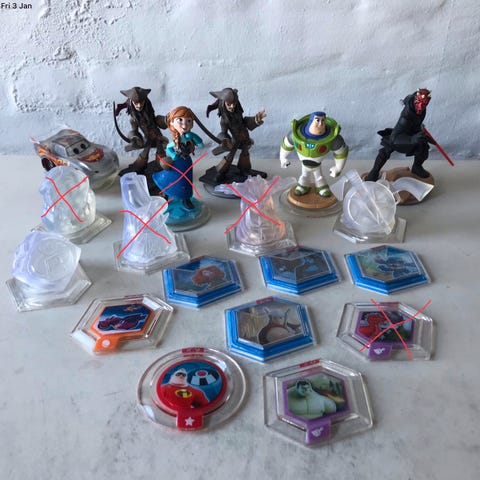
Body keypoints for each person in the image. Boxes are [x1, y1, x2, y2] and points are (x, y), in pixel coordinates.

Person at [365, 89, 433, 181]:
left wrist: (422, 133)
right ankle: (374, 172)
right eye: (419, 103)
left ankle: (417, 167)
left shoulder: (419, 108)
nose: (421, 106)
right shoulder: (406, 117)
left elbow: (408, 99)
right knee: (385, 150)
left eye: (424, 104)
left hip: (412, 134)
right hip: (398, 139)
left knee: (424, 148)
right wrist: (412, 139)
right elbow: (395, 139)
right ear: (416, 100)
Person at [280, 111, 348, 197]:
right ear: (311, 121)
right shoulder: (295, 135)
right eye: (317, 120)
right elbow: (286, 145)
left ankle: (322, 187)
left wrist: (338, 168)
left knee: (319, 176)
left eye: (323, 120)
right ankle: (303, 186)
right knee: (304, 175)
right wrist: (283, 158)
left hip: (317, 165)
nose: (320, 124)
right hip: (304, 165)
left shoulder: (332, 139)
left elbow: (341, 152)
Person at [206, 87, 266, 183]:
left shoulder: (238, 113)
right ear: (223, 104)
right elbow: (223, 133)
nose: (232, 106)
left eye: (234, 103)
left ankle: (245, 170)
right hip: (234, 140)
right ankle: (221, 172)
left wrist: (256, 120)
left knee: (245, 153)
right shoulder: (224, 121)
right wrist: (226, 141)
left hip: (244, 138)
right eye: (229, 104)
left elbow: (245, 122)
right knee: (230, 156)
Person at [152, 106, 204, 210]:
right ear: (172, 122)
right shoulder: (175, 140)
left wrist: (194, 137)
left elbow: (201, 145)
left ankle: (186, 198)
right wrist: (173, 155)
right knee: (171, 179)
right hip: (176, 163)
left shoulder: (189, 136)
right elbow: (168, 148)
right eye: (180, 120)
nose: (184, 125)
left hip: (186, 162)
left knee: (186, 181)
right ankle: (166, 193)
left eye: (188, 121)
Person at [114, 86, 168, 175]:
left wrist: (166, 120)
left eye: (141, 102)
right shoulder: (134, 119)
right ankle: (139, 166)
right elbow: (134, 131)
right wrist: (135, 139)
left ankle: (161, 167)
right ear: (132, 102)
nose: (139, 105)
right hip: (147, 137)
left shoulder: (149, 111)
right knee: (146, 150)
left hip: (156, 133)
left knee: (160, 149)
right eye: (136, 103)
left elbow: (158, 121)